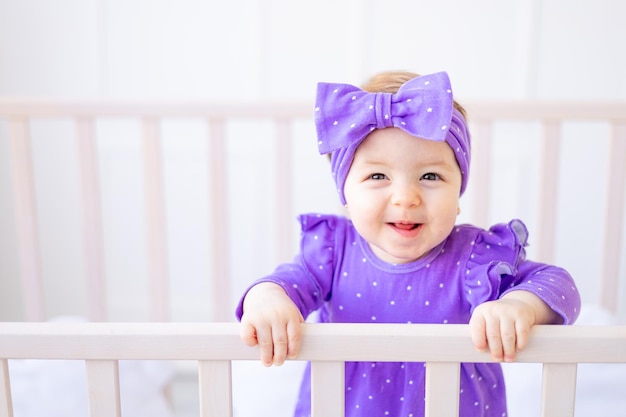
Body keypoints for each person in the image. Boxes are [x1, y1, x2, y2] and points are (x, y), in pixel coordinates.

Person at [236, 70, 580, 417]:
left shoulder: (475, 257)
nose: (405, 197)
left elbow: (559, 284)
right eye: (377, 176)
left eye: (430, 176)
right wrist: (267, 301)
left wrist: (519, 305)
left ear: (458, 191)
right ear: (345, 193)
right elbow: (283, 283)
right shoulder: (332, 251)